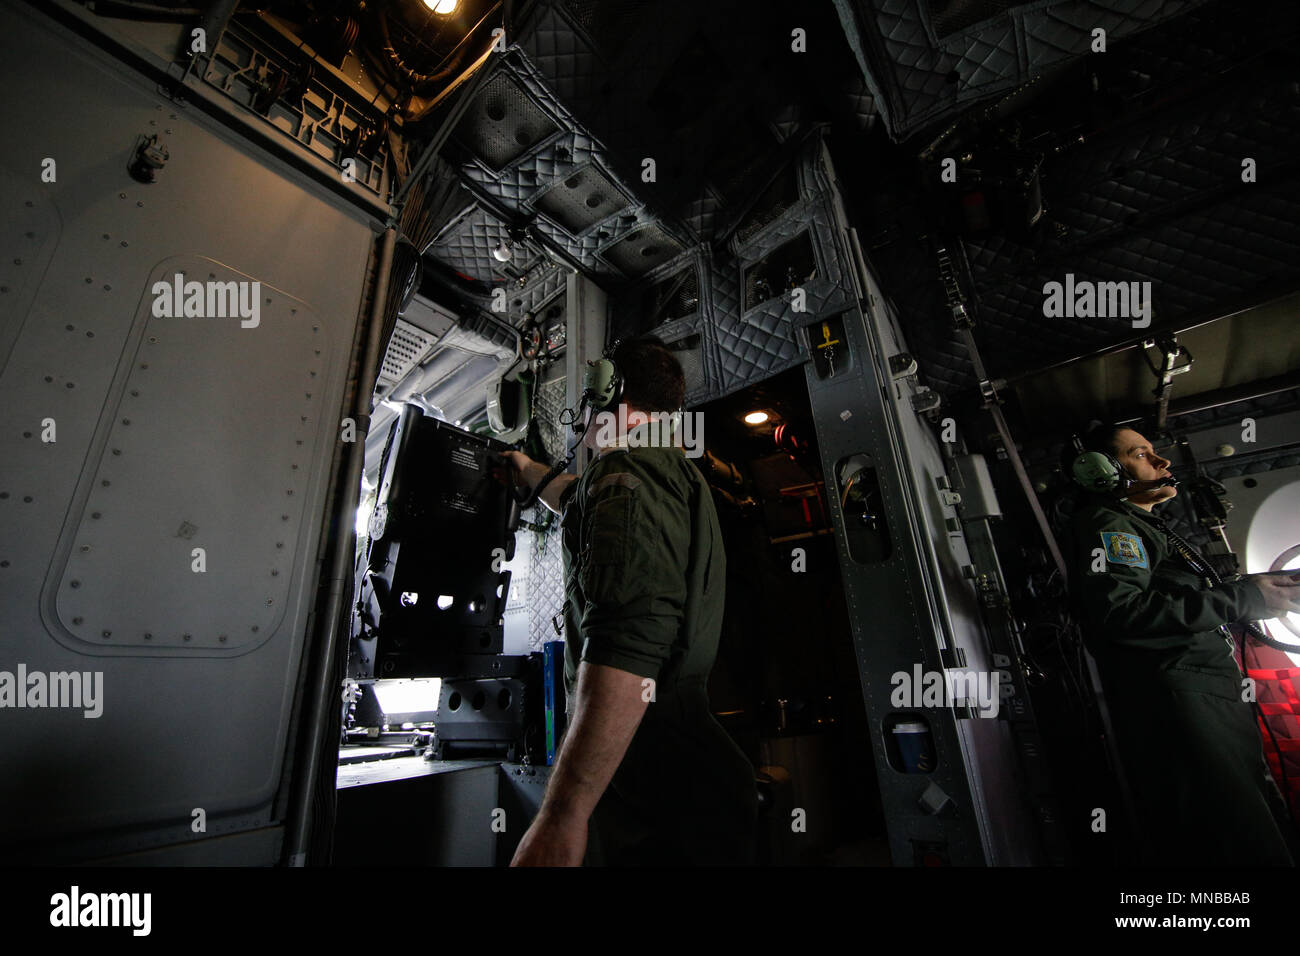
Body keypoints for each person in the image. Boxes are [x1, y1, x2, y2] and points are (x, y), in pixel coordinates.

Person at [500, 337, 756, 866]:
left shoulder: (629, 477)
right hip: (681, 780)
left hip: (663, 791)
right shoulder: (658, 470)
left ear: (609, 392)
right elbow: (577, 498)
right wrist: (526, 470)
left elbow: (626, 652)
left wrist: (559, 818)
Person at [1066, 422, 1300, 865]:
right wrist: (1243, 598)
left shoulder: (1146, 528)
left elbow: (1175, 600)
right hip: (1183, 698)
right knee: (1240, 843)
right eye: (1140, 454)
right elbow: (1122, 614)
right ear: (1101, 471)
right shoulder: (1110, 523)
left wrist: (1257, 589)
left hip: (1207, 695)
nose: (1161, 462)